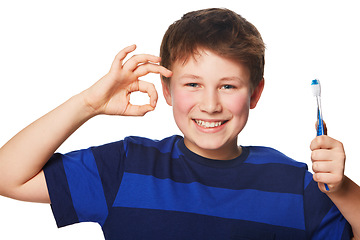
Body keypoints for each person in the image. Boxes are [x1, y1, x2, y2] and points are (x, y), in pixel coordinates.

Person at [0, 7, 359, 240]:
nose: (210, 104)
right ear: (167, 89)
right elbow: (8, 175)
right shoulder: (126, 166)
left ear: (255, 93)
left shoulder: (297, 185)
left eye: (228, 86)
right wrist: (89, 104)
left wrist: (342, 188)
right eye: (192, 84)